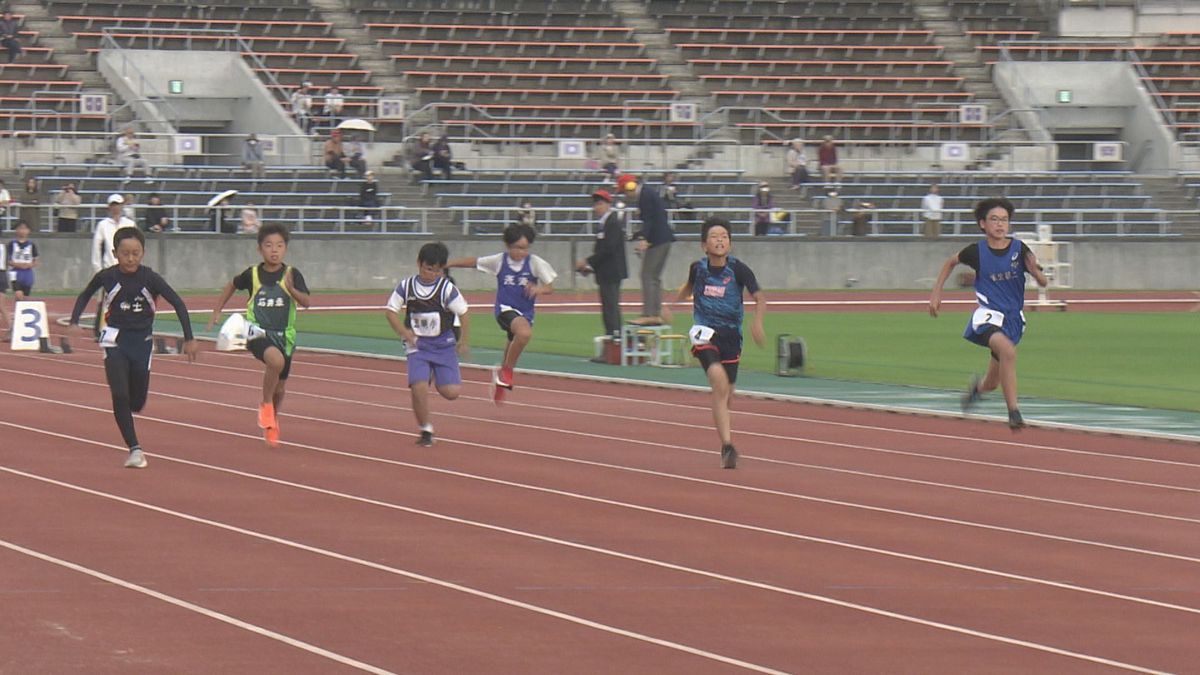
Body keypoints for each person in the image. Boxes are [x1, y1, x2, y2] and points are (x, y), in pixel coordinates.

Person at [66, 227, 198, 468]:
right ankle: (135, 448)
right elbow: (85, 295)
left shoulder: (150, 278)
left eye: (135, 253)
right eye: (125, 253)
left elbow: (178, 303)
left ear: (143, 253)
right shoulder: (107, 277)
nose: (130, 258)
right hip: (114, 339)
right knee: (119, 394)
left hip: (142, 343)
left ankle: (129, 413)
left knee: (136, 402)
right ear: (116, 253)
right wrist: (75, 321)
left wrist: (189, 338)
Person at [928, 197, 1048, 430]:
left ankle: (976, 391)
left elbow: (1042, 281)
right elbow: (950, 263)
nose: (1000, 225)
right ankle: (1014, 412)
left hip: (1013, 320)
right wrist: (936, 293)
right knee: (1008, 352)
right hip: (988, 316)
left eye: (1004, 220)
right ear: (983, 224)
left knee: (992, 382)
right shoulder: (976, 252)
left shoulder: (1019, 248)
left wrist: (1036, 273)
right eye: (994, 219)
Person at [670, 216, 765, 469]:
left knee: (726, 395)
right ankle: (728, 445)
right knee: (718, 379)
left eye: (724, 236)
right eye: (714, 236)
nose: (720, 240)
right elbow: (688, 287)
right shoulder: (698, 268)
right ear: (704, 245)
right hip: (704, 331)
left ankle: (724, 441)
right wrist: (670, 305)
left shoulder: (739, 270)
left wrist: (757, 322)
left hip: (732, 336)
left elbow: (760, 297)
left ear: (730, 244)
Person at [206, 223, 310, 446]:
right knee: (276, 361)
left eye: (280, 246)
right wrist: (217, 310)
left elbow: (307, 302)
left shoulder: (292, 274)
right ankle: (265, 405)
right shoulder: (252, 274)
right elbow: (231, 285)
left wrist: (291, 290)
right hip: (256, 332)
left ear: (285, 249)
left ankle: (272, 420)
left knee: (280, 388)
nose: (274, 250)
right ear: (259, 249)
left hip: (285, 336)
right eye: (269, 245)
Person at [448, 222, 556, 403]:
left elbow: (550, 286)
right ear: (508, 246)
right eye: (517, 248)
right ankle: (507, 372)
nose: (521, 252)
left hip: (526, 313)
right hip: (505, 310)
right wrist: (448, 264)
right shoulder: (499, 261)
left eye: (525, 248)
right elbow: (474, 262)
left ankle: (501, 378)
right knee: (523, 333)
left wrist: (539, 289)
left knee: (515, 338)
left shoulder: (535, 263)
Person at [385, 242, 470, 446]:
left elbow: (464, 313)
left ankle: (433, 372)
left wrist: (463, 342)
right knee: (418, 386)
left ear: (442, 270)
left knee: (451, 393)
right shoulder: (406, 286)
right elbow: (390, 312)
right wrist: (404, 332)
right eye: (427, 268)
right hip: (418, 345)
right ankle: (426, 429)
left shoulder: (447, 289)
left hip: (443, 344)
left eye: (436, 270)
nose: (430, 274)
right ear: (419, 264)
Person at [619, 174, 676, 325]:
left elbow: (650, 220)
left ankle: (650, 314)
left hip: (657, 241)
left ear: (630, 187)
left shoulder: (644, 195)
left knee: (647, 275)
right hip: (664, 239)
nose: (625, 195)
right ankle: (656, 313)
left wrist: (645, 239)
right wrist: (637, 235)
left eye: (625, 191)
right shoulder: (648, 193)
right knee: (654, 277)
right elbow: (654, 219)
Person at [575, 189, 627, 345]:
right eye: (595, 204)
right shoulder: (604, 224)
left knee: (611, 306)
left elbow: (608, 249)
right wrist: (590, 267)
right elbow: (603, 251)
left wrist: (587, 261)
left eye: (600, 204)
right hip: (605, 271)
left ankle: (616, 337)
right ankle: (612, 336)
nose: (596, 207)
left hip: (612, 272)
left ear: (608, 205)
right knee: (608, 306)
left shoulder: (612, 223)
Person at [92, 193, 137, 273]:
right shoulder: (103, 225)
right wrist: (98, 270)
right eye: (113, 205)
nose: (116, 207)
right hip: (110, 268)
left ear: (122, 206)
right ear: (109, 207)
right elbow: (96, 248)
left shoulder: (130, 224)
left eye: (118, 204)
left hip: (128, 268)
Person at [5, 221, 37, 300]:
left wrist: (30, 265)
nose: (23, 231)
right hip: (15, 272)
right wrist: (18, 264)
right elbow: (7, 260)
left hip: (27, 273)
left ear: (29, 231)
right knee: (18, 294)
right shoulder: (11, 244)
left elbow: (36, 260)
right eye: (20, 228)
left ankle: (22, 311)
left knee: (26, 296)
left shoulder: (32, 245)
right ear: (16, 230)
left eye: (25, 229)